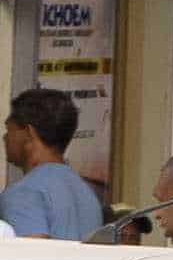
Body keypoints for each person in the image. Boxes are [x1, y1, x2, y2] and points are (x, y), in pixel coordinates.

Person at [0, 89, 102, 242]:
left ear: (29, 132)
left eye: (10, 129)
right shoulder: (86, 193)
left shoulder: (24, 193)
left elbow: (30, 259)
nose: (5, 137)